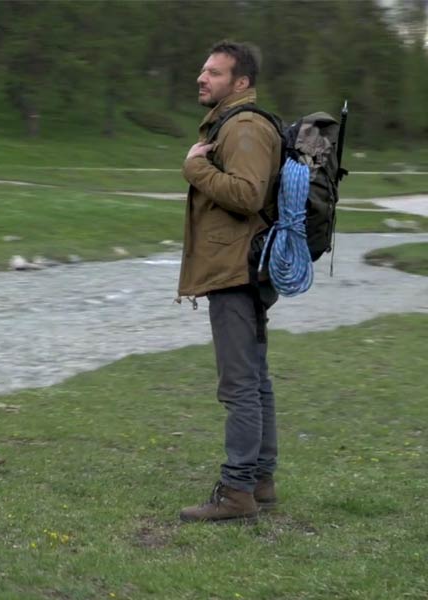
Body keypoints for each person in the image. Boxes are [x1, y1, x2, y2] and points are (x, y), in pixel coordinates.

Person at [177, 41, 282, 523]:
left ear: (240, 83)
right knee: (254, 380)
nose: (202, 78)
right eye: (203, 69)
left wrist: (196, 169)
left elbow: (247, 193)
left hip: (237, 270)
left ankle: (238, 490)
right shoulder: (235, 124)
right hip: (243, 268)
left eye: (214, 72)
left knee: (239, 385)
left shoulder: (242, 127)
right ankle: (260, 480)